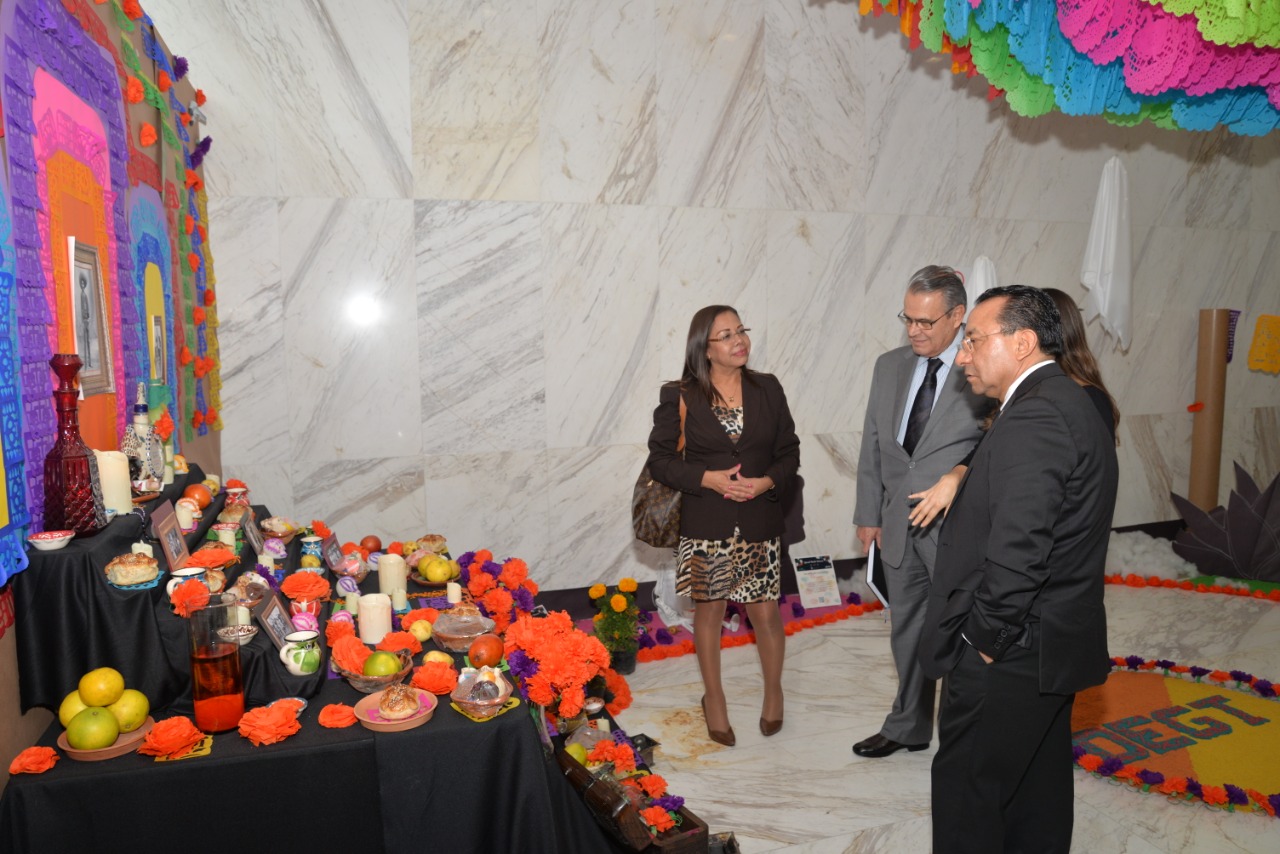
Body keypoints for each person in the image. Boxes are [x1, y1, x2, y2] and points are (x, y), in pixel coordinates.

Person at [919, 285, 1119, 853]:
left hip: (1013, 652)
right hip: (1046, 647)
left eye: (974, 340)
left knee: (969, 798)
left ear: (1023, 342)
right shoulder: (1064, 400)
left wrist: (985, 640)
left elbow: (1020, 547)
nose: (962, 355)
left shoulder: (1038, 415)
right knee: (1035, 795)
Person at [851, 265, 990, 758]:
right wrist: (868, 513)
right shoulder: (889, 366)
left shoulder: (981, 368)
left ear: (957, 315)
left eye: (926, 321)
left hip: (955, 526)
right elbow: (874, 443)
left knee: (959, 630)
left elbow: (993, 445)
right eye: (907, 319)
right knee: (906, 630)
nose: (914, 330)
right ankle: (907, 726)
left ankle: (963, 732)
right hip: (897, 523)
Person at [645, 305, 800, 746]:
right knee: (709, 613)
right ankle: (714, 698)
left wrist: (766, 482)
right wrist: (707, 479)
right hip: (706, 526)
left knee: (765, 613)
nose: (739, 340)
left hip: (758, 521)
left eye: (741, 330)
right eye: (726, 335)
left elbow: (789, 451)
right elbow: (660, 461)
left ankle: (774, 692)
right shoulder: (680, 394)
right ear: (705, 349)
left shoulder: (768, 388)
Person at [905, 286, 1120, 530]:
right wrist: (956, 476)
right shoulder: (1027, 394)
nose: (962, 358)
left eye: (974, 341)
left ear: (1030, 339)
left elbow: (1033, 517)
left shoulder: (1064, 404)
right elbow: (986, 450)